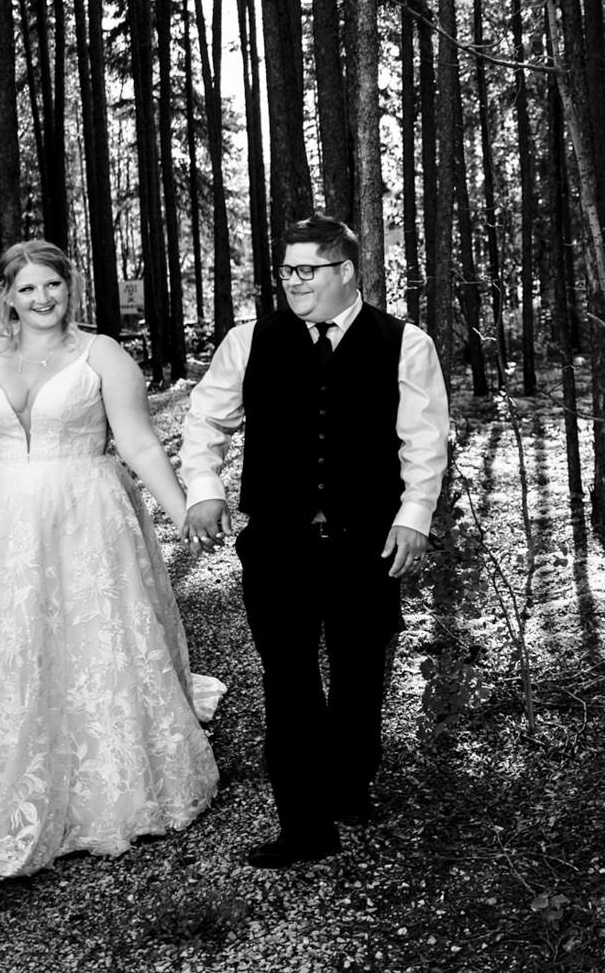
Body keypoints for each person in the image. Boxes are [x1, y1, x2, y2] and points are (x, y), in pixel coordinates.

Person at [0, 240, 220, 891]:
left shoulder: (102, 355)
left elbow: (138, 444)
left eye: (53, 285)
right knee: (2, 653)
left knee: (90, 644)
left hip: (84, 518)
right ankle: (3, 795)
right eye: (28, 288)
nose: (42, 298)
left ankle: (103, 791)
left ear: (70, 288)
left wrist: (183, 510)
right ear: (7, 298)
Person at [179, 214, 449, 870]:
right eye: (287, 270)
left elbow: (424, 439)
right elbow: (205, 420)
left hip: (368, 543)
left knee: (360, 671)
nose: (293, 282)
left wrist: (414, 515)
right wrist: (204, 488)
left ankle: (350, 785)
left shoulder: (405, 343)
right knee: (288, 679)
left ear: (346, 271)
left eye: (307, 270)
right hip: (278, 543)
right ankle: (305, 825)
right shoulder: (248, 341)